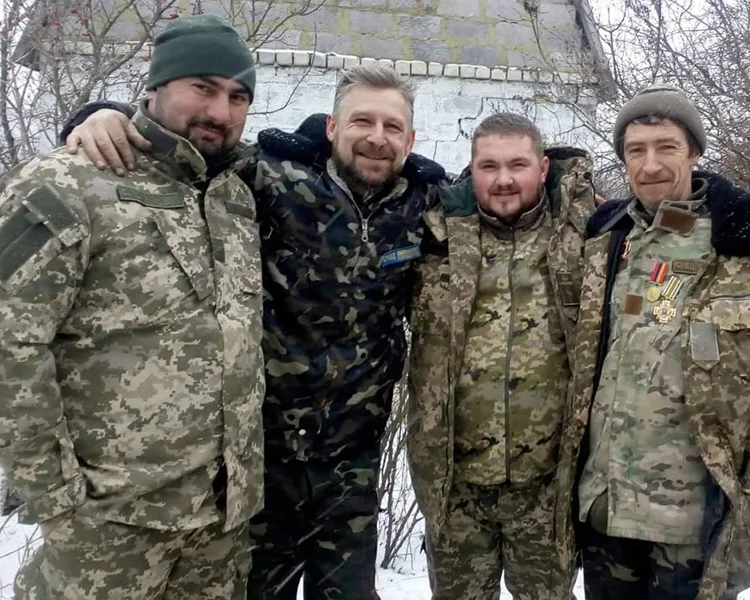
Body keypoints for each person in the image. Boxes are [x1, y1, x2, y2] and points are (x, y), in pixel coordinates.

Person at [60, 64, 446, 600]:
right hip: (260, 463)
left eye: (392, 127)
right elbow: (188, 150)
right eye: (363, 121)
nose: (377, 138)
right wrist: (105, 114)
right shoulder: (268, 176)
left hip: (353, 463)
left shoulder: (423, 202)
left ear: (411, 139)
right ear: (332, 126)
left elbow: (506, 188)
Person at [0, 15, 264, 599]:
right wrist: (54, 497)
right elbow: (10, 343)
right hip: (107, 525)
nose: (220, 111)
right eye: (202, 87)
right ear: (156, 86)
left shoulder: (234, 196)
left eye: (237, 96)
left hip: (219, 524)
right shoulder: (67, 182)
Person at [564, 84, 750, 600]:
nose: (650, 165)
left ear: (694, 152)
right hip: (605, 515)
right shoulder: (606, 241)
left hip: (695, 528)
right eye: (635, 151)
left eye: (666, 146)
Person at [407, 113, 595, 600]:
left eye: (518, 165)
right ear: (472, 169)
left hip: (547, 486)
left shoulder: (586, 232)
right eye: (489, 166)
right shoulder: (435, 234)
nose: (504, 179)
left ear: (543, 167)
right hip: (456, 485)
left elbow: (661, 219)